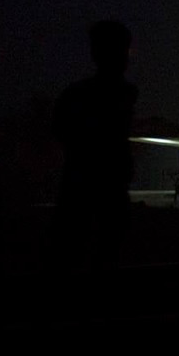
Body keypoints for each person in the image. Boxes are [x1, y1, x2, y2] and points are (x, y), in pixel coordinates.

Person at [54, 20, 138, 268]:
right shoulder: (124, 94)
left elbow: (60, 131)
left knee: (76, 251)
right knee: (107, 251)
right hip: (106, 189)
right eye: (123, 51)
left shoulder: (74, 95)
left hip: (80, 188)